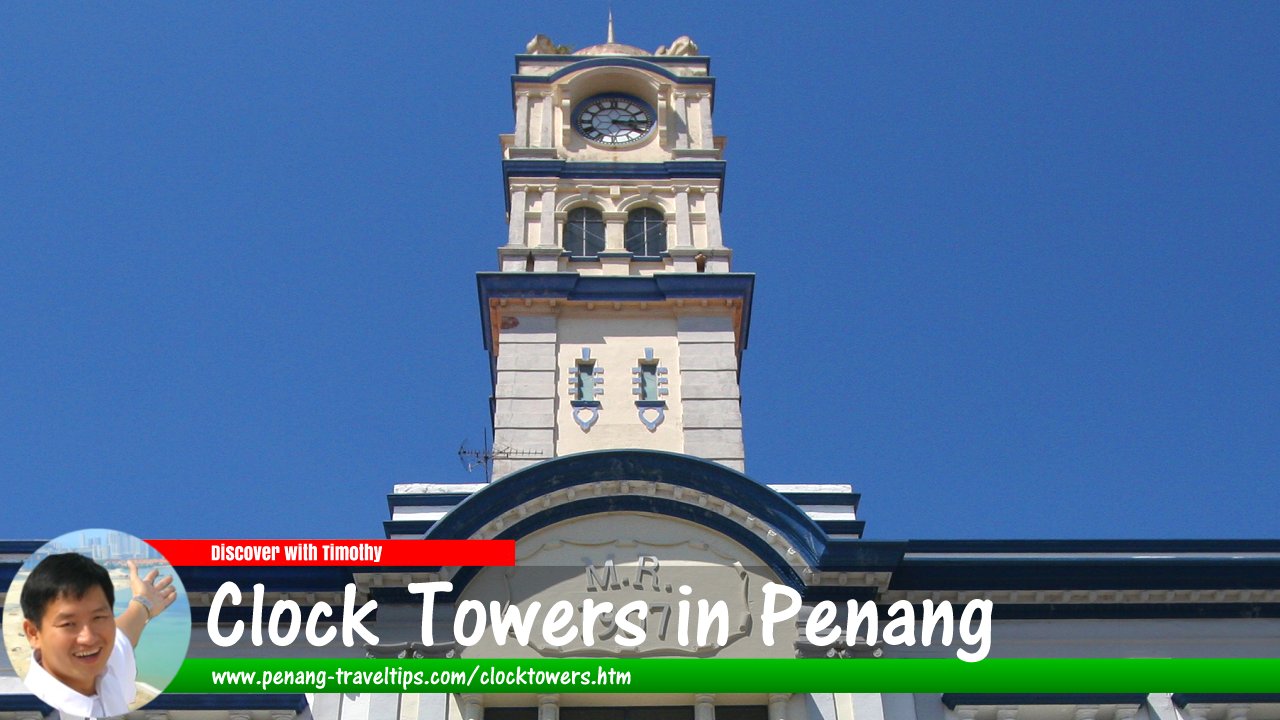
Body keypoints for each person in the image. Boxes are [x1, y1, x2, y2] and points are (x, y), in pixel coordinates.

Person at [19, 552, 178, 718]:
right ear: (33, 633)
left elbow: (123, 636)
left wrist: (143, 603)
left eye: (99, 617)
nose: (89, 638)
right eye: (68, 624)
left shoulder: (106, 668)